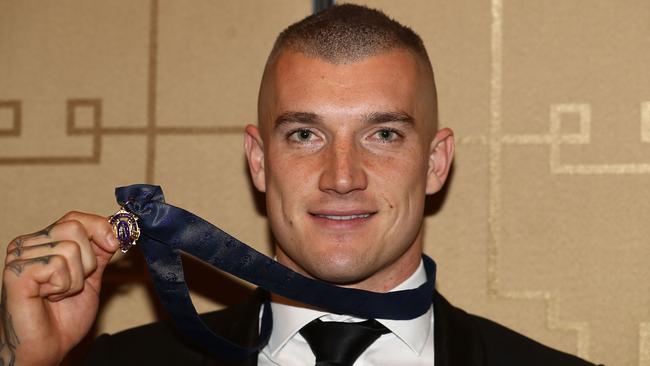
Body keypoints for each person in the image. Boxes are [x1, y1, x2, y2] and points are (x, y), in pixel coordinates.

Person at [1, 4, 598, 366]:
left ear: (436, 162)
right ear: (258, 162)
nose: (342, 177)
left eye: (384, 135)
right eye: (305, 135)